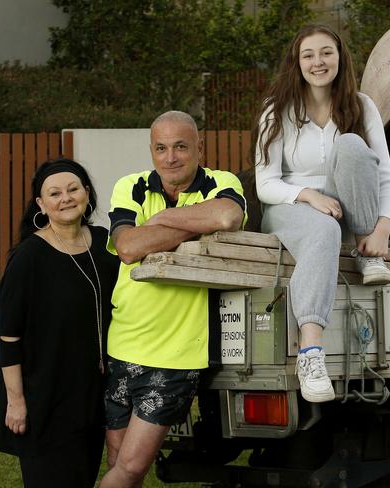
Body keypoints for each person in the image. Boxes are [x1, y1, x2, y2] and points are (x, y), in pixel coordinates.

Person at [101, 110, 247, 488]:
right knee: (119, 463)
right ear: (151, 151)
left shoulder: (221, 182)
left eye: (181, 146)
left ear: (199, 147)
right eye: (161, 148)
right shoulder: (130, 185)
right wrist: (192, 229)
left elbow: (228, 216)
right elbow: (129, 247)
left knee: (130, 469)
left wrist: (159, 222)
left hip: (176, 353)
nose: (171, 157)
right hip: (123, 342)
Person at [255, 24, 390, 403]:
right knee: (323, 229)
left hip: (348, 212)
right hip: (289, 207)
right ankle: (311, 352)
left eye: (326, 53)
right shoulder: (277, 110)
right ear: (296, 62)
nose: (318, 62)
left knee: (352, 146)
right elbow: (265, 184)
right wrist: (306, 195)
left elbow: (384, 176)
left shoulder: (362, 105)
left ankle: (369, 253)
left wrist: (382, 226)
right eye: (308, 55)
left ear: (340, 58)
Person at [0, 158, 119, 487]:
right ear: (41, 204)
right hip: (43, 398)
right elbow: (7, 336)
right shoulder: (28, 258)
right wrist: (16, 401)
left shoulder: (106, 245)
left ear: (87, 193)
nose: (65, 198)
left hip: (90, 397)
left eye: (73, 189)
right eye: (54, 193)